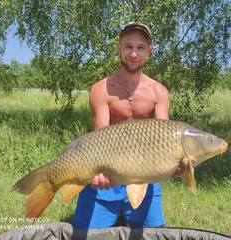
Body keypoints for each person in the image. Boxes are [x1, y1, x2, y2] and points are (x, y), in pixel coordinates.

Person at [72, 22, 182, 229]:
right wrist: (100, 173)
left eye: (140, 48)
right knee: (84, 233)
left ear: (148, 51)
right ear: (119, 48)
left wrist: (175, 165)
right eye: (128, 46)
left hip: (145, 176)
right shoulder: (101, 89)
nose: (133, 53)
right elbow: (100, 139)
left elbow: (167, 139)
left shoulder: (158, 92)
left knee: (154, 233)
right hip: (107, 177)